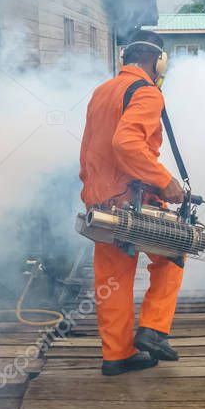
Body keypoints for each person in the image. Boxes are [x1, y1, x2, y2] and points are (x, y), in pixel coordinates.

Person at [79, 30, 187, 376]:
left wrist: (93, 193)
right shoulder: (146, 92)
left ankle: (117, 355)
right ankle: (154, 330)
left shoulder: (102, 91)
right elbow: (126, 144)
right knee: (174, 253)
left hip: (101, 202)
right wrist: (164, 181)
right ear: (157, 61)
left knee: (113, 278)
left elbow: (89, 151)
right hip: (132, 200)